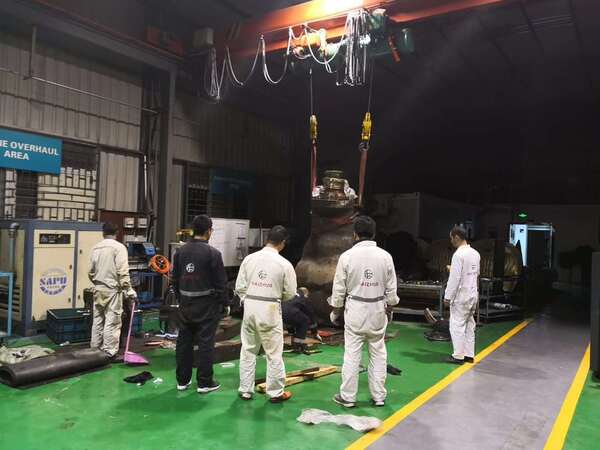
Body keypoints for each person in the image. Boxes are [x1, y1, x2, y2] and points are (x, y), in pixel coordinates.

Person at [328, 215, 399, 408]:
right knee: (378, 353)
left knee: (352, 354)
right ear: (374, 234)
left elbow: (339, 289)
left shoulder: (347, 257)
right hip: (378, 310)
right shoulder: (385, 256)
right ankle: (379, 397)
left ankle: (348, 397)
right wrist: (390, 308)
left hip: (356, 310)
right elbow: (392, 290)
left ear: (355, 234)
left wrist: (336, 311)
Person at [235, 225, 297, 403]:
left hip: (250, 307)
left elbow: (239, 287)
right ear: (283, 243)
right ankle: (276, 392)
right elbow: (290, 293)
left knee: (248, 349)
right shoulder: (284, 264)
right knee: (273, 353)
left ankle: (245, 390)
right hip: (270, 309)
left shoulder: (249, 259)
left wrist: (249, 298)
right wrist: (275, 296)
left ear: (267, 239)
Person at [171, 214, 229, 393]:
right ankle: (204, 383)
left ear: (192, 230)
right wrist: (224, 304)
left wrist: (181, 299)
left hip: (185, 304)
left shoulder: (180, 252)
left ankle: (182, 381)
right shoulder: (213, 254)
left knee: (184, 342)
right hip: (206, 306)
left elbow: (175, 279)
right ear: (209, 231)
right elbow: (221, 283)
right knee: (205, 344)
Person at [89, 222, 136, 358]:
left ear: (103, 233)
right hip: (113, 290)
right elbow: (122, 271)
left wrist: (98, 282)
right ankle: (109, 353)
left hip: (98, 288)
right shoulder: (119, 248)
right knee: (112, 321)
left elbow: (91, 272)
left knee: (98, 320)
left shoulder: (95, 248)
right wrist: (129, 289)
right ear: (117, 233)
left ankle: (94, 350)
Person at [444, 225, 481, 365]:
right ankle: (469, 354)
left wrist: (447, 297)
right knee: (470, 324)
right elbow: (476, 275)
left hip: (461, 296)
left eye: (451, 238)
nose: (451, 241)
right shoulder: (475, 253)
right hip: (472, 294)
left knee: (456, 325)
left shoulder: (458, 255)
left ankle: (458, 356)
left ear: (457, 237)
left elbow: (455, 278)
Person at [282, 287, 319, 353]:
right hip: (291, 312)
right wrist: (315, 333)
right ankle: (298, 346)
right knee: (305, 321)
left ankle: (293, 340)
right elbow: (310, 314)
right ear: (306, 294)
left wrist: (291, 333)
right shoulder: (303, 298)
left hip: (280, 312)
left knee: (293, 319)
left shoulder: (291, 293)